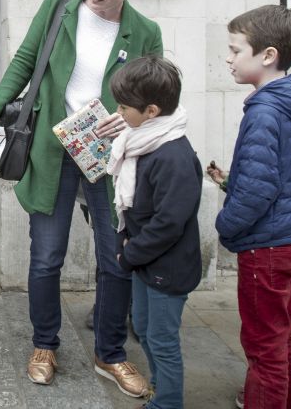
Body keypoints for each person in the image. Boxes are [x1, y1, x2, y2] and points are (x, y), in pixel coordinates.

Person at [0, 0, 162, 396]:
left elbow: (154, 93)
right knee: (46, 258)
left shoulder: (146, 32)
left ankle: (110, 353)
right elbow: (25, 61)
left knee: (116, 259)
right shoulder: (59, 5)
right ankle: (44, 344)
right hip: (54, 150)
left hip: (108, 157)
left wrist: (129, 116)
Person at [213, 5, 291, 409]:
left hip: (268, 244)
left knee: (264, 348)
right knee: (281, 337)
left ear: (268, 55)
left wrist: (226, 225)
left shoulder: (265, 110)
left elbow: (257, 190)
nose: (228, 57)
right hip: (289, 236)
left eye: (236, 49)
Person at [108, 56, 202, 409]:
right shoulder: (143, 141)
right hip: (146, 264)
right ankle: (159, 390)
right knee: (146, 331)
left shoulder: (172, 155)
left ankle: (168, 402)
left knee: (162, 341)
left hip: (167, 268)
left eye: (123, 106)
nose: (118, 112)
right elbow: (133, 209)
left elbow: (168, 222)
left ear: (150, 110)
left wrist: (129, 253)